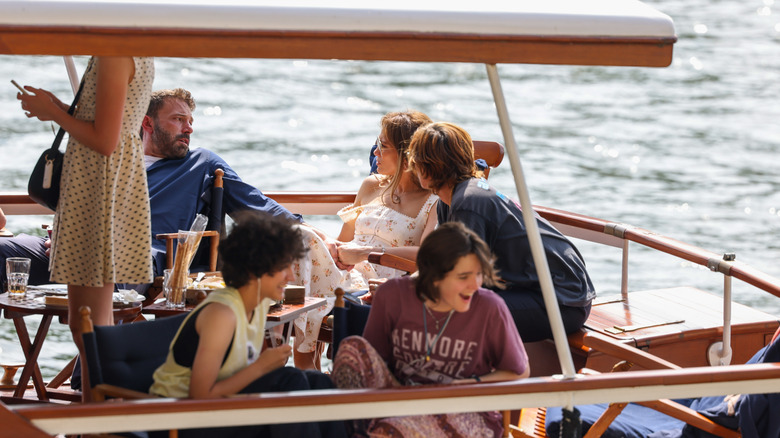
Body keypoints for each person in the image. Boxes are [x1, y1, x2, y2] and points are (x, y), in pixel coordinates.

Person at [1, 87, 301, 292]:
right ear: (147, 123)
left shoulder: (202, 163)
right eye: (178, 119)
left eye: (190, 121)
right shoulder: (115, 155)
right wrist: (71, 239)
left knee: (108, 267)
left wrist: (311, 231)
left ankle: (89, 380)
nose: (189, 128)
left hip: (139, 259)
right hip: (78, 246)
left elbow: (257, 205)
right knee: (4, 251)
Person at [17, 57, 155, 398]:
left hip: (97, 190)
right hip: (110, 185)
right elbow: (111, 123)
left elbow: (105, 139)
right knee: (92, 323)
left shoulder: (115, 51)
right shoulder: (134, 47)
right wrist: (58, 106)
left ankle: (101, 418)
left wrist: (54, 114)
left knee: (88, 325)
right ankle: (102, 415)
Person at [150, 212, 345, 438]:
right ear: (256, 269)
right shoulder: (222, 314)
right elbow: (200, 395)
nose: (291, 276)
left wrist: (264, 368)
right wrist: (262, 366)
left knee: (317, 381)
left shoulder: (258, 307)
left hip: (220, 411)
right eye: (285, 267)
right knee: (288, 380)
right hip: (179, 420)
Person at [331, 221, 529, 437]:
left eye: (479, 274)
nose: (475, 285)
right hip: (403, 397)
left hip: (465, 408)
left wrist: (465, 385)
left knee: (395, 430)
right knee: (352, 348)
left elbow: (519, 371)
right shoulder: (392, 295)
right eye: (463, 277)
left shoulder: (489, 307)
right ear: (433, 276)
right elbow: (373, 360)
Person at [407, 122, 596, 343]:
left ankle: (487, 375)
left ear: (427, 167)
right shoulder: (452, 200)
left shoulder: (469, 203)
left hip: (562, 301)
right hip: (546, 291)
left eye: (415, 161)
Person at [291, 110, 438, 369]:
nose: (375, 153)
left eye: (383, 146)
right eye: (376, 143)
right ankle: (305, 367)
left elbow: (427, 257)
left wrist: (365, 252)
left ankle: (304, 368)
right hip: (342, 274)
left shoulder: (432, 202)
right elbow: (342, 241)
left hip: (379, 286)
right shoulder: (371, 185)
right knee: (299, 235)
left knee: (301, 242)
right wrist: (335, 249)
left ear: (407, 154)